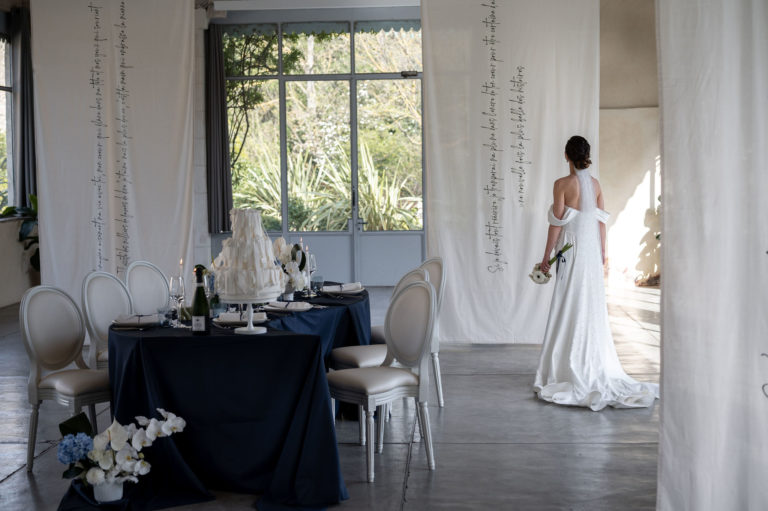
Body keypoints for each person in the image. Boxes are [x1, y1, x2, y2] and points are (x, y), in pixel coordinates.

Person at [533, 135, 658, 411]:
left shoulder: (561, 185)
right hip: (589, 253)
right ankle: (592, 361)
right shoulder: (595, 184)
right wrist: (603, 253)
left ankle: (565, 369)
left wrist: (546, 258)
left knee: (567, 303)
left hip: (571, 251)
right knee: (589, 306)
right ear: (586, 156)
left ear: (567, 156)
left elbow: (556, 225)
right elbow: (601, 223)